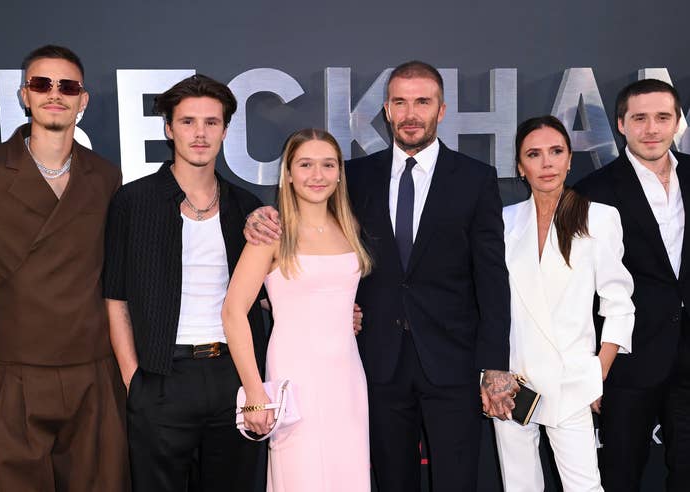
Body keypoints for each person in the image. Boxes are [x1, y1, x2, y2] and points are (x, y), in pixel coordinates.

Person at [244, 60, 516, 492]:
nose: (411, 113)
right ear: (386, 110)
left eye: (422, 102)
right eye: (400, 102)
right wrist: (259, 217)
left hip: (451, 363)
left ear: (441, 110)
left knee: (457, 480)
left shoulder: (474, 179)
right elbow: (309, 238)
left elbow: (492, 280)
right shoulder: (355, 177)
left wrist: (495, 366)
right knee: (389, 481)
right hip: (375, 364)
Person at [102, 74, 266, 492]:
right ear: (168, 128)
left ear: (226, 131)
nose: (200, 133)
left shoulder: (245, 207)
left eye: (211, 123)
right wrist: (133, 379)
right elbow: (115, 296)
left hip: (232, 375)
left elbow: (265, 296)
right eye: (188, 121)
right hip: (160, 378)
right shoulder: (133, 202)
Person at [0, 45, 128, 491]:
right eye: (41, 84)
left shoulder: (106, 178)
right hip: (12, 370)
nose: (55, 94)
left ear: (83, 100)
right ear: (23, 95)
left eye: (67, 86)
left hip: (92, 370)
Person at [222, 128, 373, 491]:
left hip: (348, 377)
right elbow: (232, 312)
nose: (317, 175)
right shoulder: (272, 232)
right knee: (300, 476)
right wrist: (255, 394)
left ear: (339, 172)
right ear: (288, 173)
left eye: (327, 165)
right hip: (294, 378)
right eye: (305, 165)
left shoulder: (349, 228)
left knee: (348, 476)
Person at [493, 115, 635, 491]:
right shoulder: (503, 222)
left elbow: (619, 303)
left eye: (556, 152)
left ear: (570, 159)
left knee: (583, 486)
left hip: (570, 380)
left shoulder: (598, 218)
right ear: (520, 167)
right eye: (534, 154)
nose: (547, 163)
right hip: (513, 380)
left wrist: (596, 375)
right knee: (520, 486)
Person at [575, 79, 690, 492]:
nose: (651, 128)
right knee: (620, 474)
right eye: (639, 118)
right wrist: (594, 368)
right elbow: (581, 289)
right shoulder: (593, 193)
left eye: (662, 117)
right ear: (621, 124)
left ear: (677, 123)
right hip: (627, 359)